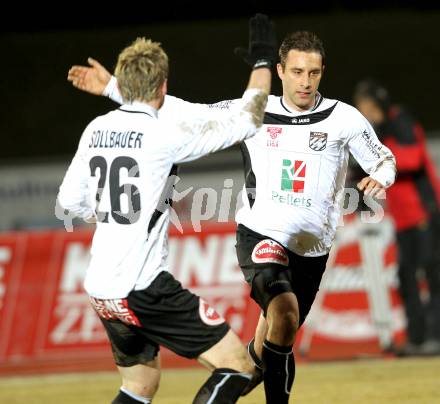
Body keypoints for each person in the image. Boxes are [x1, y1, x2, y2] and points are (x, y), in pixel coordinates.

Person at [67, 30, 396, 404]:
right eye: (298, 71)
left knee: (268, 347)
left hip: (313, 247)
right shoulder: (253, 112)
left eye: (314, 73)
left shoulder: (345, 118)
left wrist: (379, 177)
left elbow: (383, 158)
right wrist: (114, 87)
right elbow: (186, 110)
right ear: (280, 71)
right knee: (284, 313)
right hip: (261, 235)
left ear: (323, 72)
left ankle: (230, 387)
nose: (305, 81)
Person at [58, 14, 276, 404]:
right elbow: (249, 116)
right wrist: (262, 62)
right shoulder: (163, 135)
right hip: (143, 288)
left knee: (139, 387)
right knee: (237, 368)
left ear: (124, 85)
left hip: (102, 288)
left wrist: (112, 213)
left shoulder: (95, 129)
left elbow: (69, 203)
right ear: (163, 86)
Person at [353, 79, 440, 356]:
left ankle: (434, 336)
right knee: (406, 276)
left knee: (431, 273)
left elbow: (414, 158)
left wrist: (379, 162)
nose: (363, 111)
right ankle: (418, 339)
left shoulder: (398, 120)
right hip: (402, 218)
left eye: (365, 105)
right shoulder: (375, 131)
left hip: (424, 210)